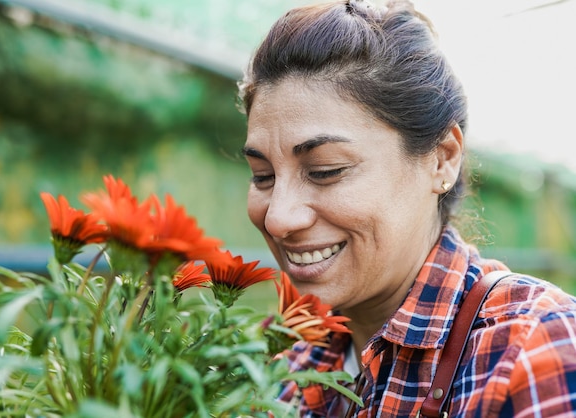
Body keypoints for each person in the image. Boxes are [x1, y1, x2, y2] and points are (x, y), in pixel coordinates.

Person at [238, 0, 576, 416]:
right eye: (263, 176)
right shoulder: (283, 363)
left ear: (442, 159)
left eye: (326, 170)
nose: (278, 218)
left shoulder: (527, 346)